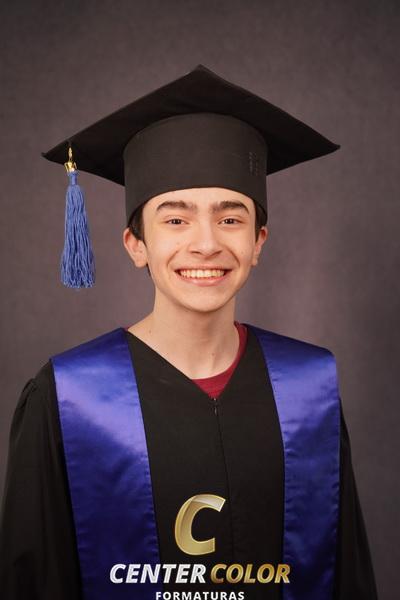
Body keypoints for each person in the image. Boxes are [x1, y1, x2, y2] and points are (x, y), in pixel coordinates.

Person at [0, 64, 378, 600]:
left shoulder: (308, 388)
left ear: (259, 241)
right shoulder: (70, 399)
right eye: (175, 220)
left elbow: (347, 576)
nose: (206, 244)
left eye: (231, 219)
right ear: (136, 245)